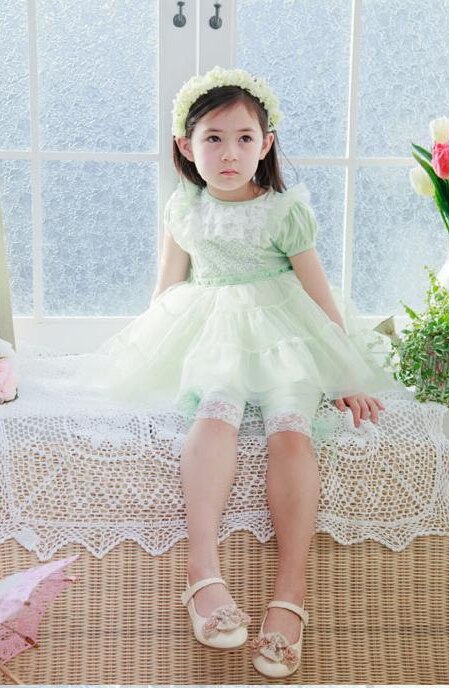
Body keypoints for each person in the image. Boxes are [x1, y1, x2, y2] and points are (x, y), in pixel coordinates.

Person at [75, 65, 399, 678]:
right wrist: (148, 348)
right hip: (212, 330)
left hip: (285, 332)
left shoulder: (284, 212)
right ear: (185, 146)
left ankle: (291, 593)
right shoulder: (184, 209)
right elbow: (167, 288)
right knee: (215, 410)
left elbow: (319, 295)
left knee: (290, 431)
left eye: (245, 138)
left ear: (266, 144)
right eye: (214, 138)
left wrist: (344, 371)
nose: (230, 153)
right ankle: (202, 570)